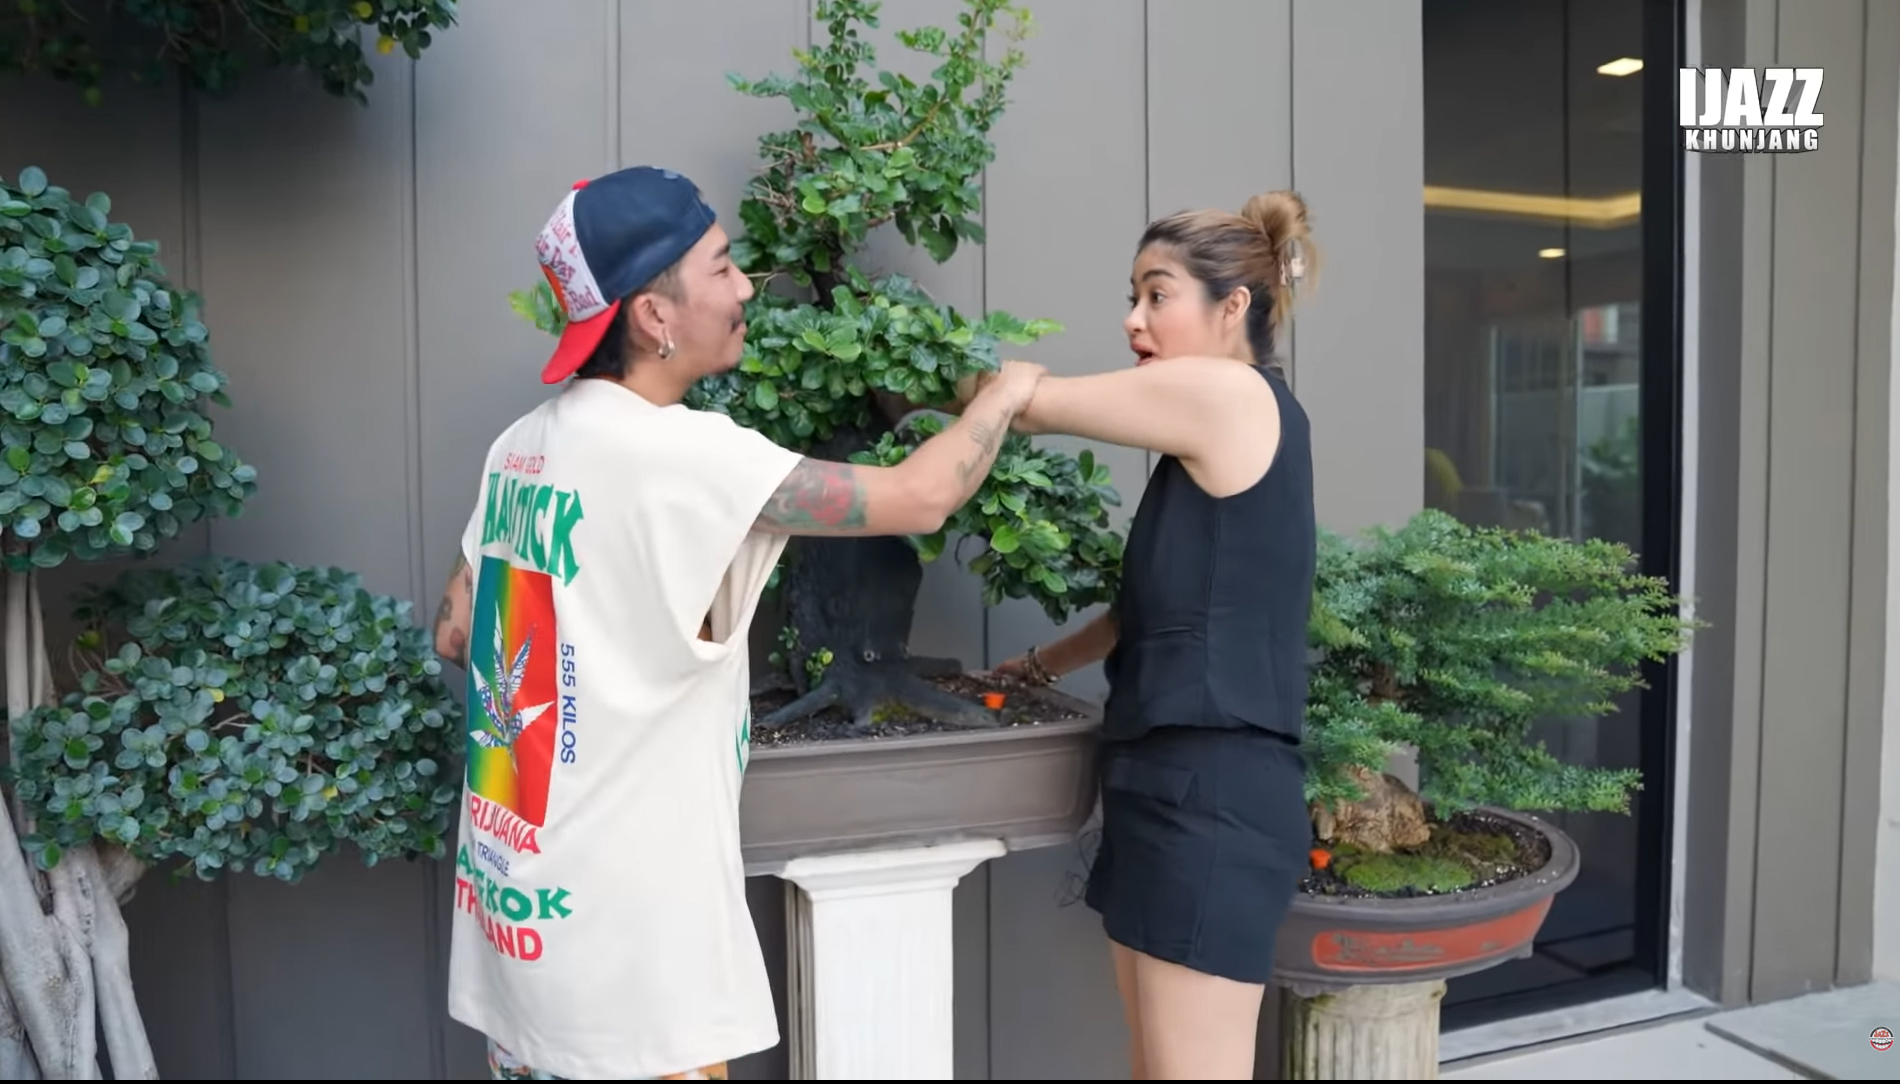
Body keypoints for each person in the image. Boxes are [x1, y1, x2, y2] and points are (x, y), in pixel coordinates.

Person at [429, 165, 1044, 1082]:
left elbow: (456, 632)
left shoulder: (518, 448)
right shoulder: (683, 454)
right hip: (628, 963)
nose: (747, 287)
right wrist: (1003, 394)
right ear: (654, 314)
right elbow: (919, 497)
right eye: (721, 268)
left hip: (518, 916)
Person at [979, 191, 1320, 1080]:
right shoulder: (1211, 434)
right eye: (1132, 296)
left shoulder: (1231, 394)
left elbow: (1033, 407)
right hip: (1164, 779)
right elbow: (1159, 606)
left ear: (1232, 305)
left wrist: (954, 378)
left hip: (1212, 788)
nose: (1134, 318)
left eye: (1157, 294)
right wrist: (1041, 665)